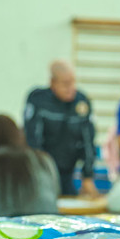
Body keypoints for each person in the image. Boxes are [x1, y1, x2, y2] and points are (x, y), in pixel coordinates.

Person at [0, 115, 60, 216]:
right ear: (18, 134)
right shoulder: (44, 158)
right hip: (47, 223)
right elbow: (56, 192)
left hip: (5, 224)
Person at [24, 60, 97, 197]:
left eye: (73, 82)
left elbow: (88, 141)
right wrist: (39, 172)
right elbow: (33, 140)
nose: (71, 88)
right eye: (65, 84)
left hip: (68, 172)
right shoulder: (38, 100)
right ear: (52, 82)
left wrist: (87, 175)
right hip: (42, 172)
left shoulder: (81, 102)